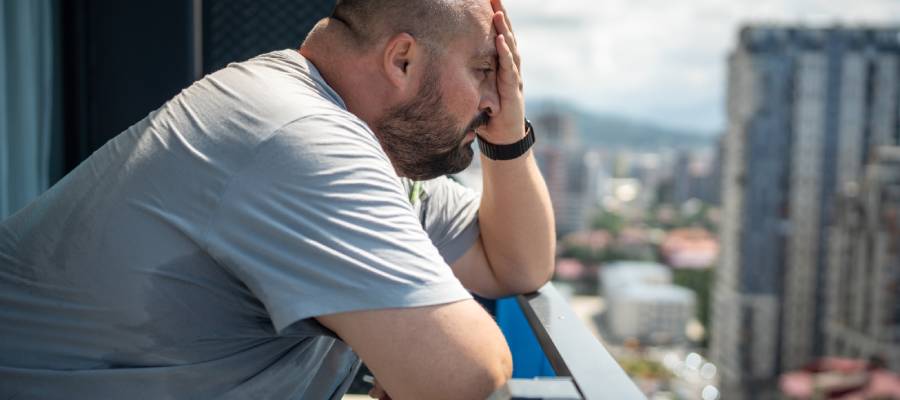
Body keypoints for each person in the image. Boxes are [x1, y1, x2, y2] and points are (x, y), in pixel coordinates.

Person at [0, 0, 555, 398]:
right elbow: (466, 375)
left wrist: (507, 138)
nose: (495, 99)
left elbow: (515, 262)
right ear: (402, 60)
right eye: (486, 71)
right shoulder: (298, 135)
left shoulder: (362, 146)